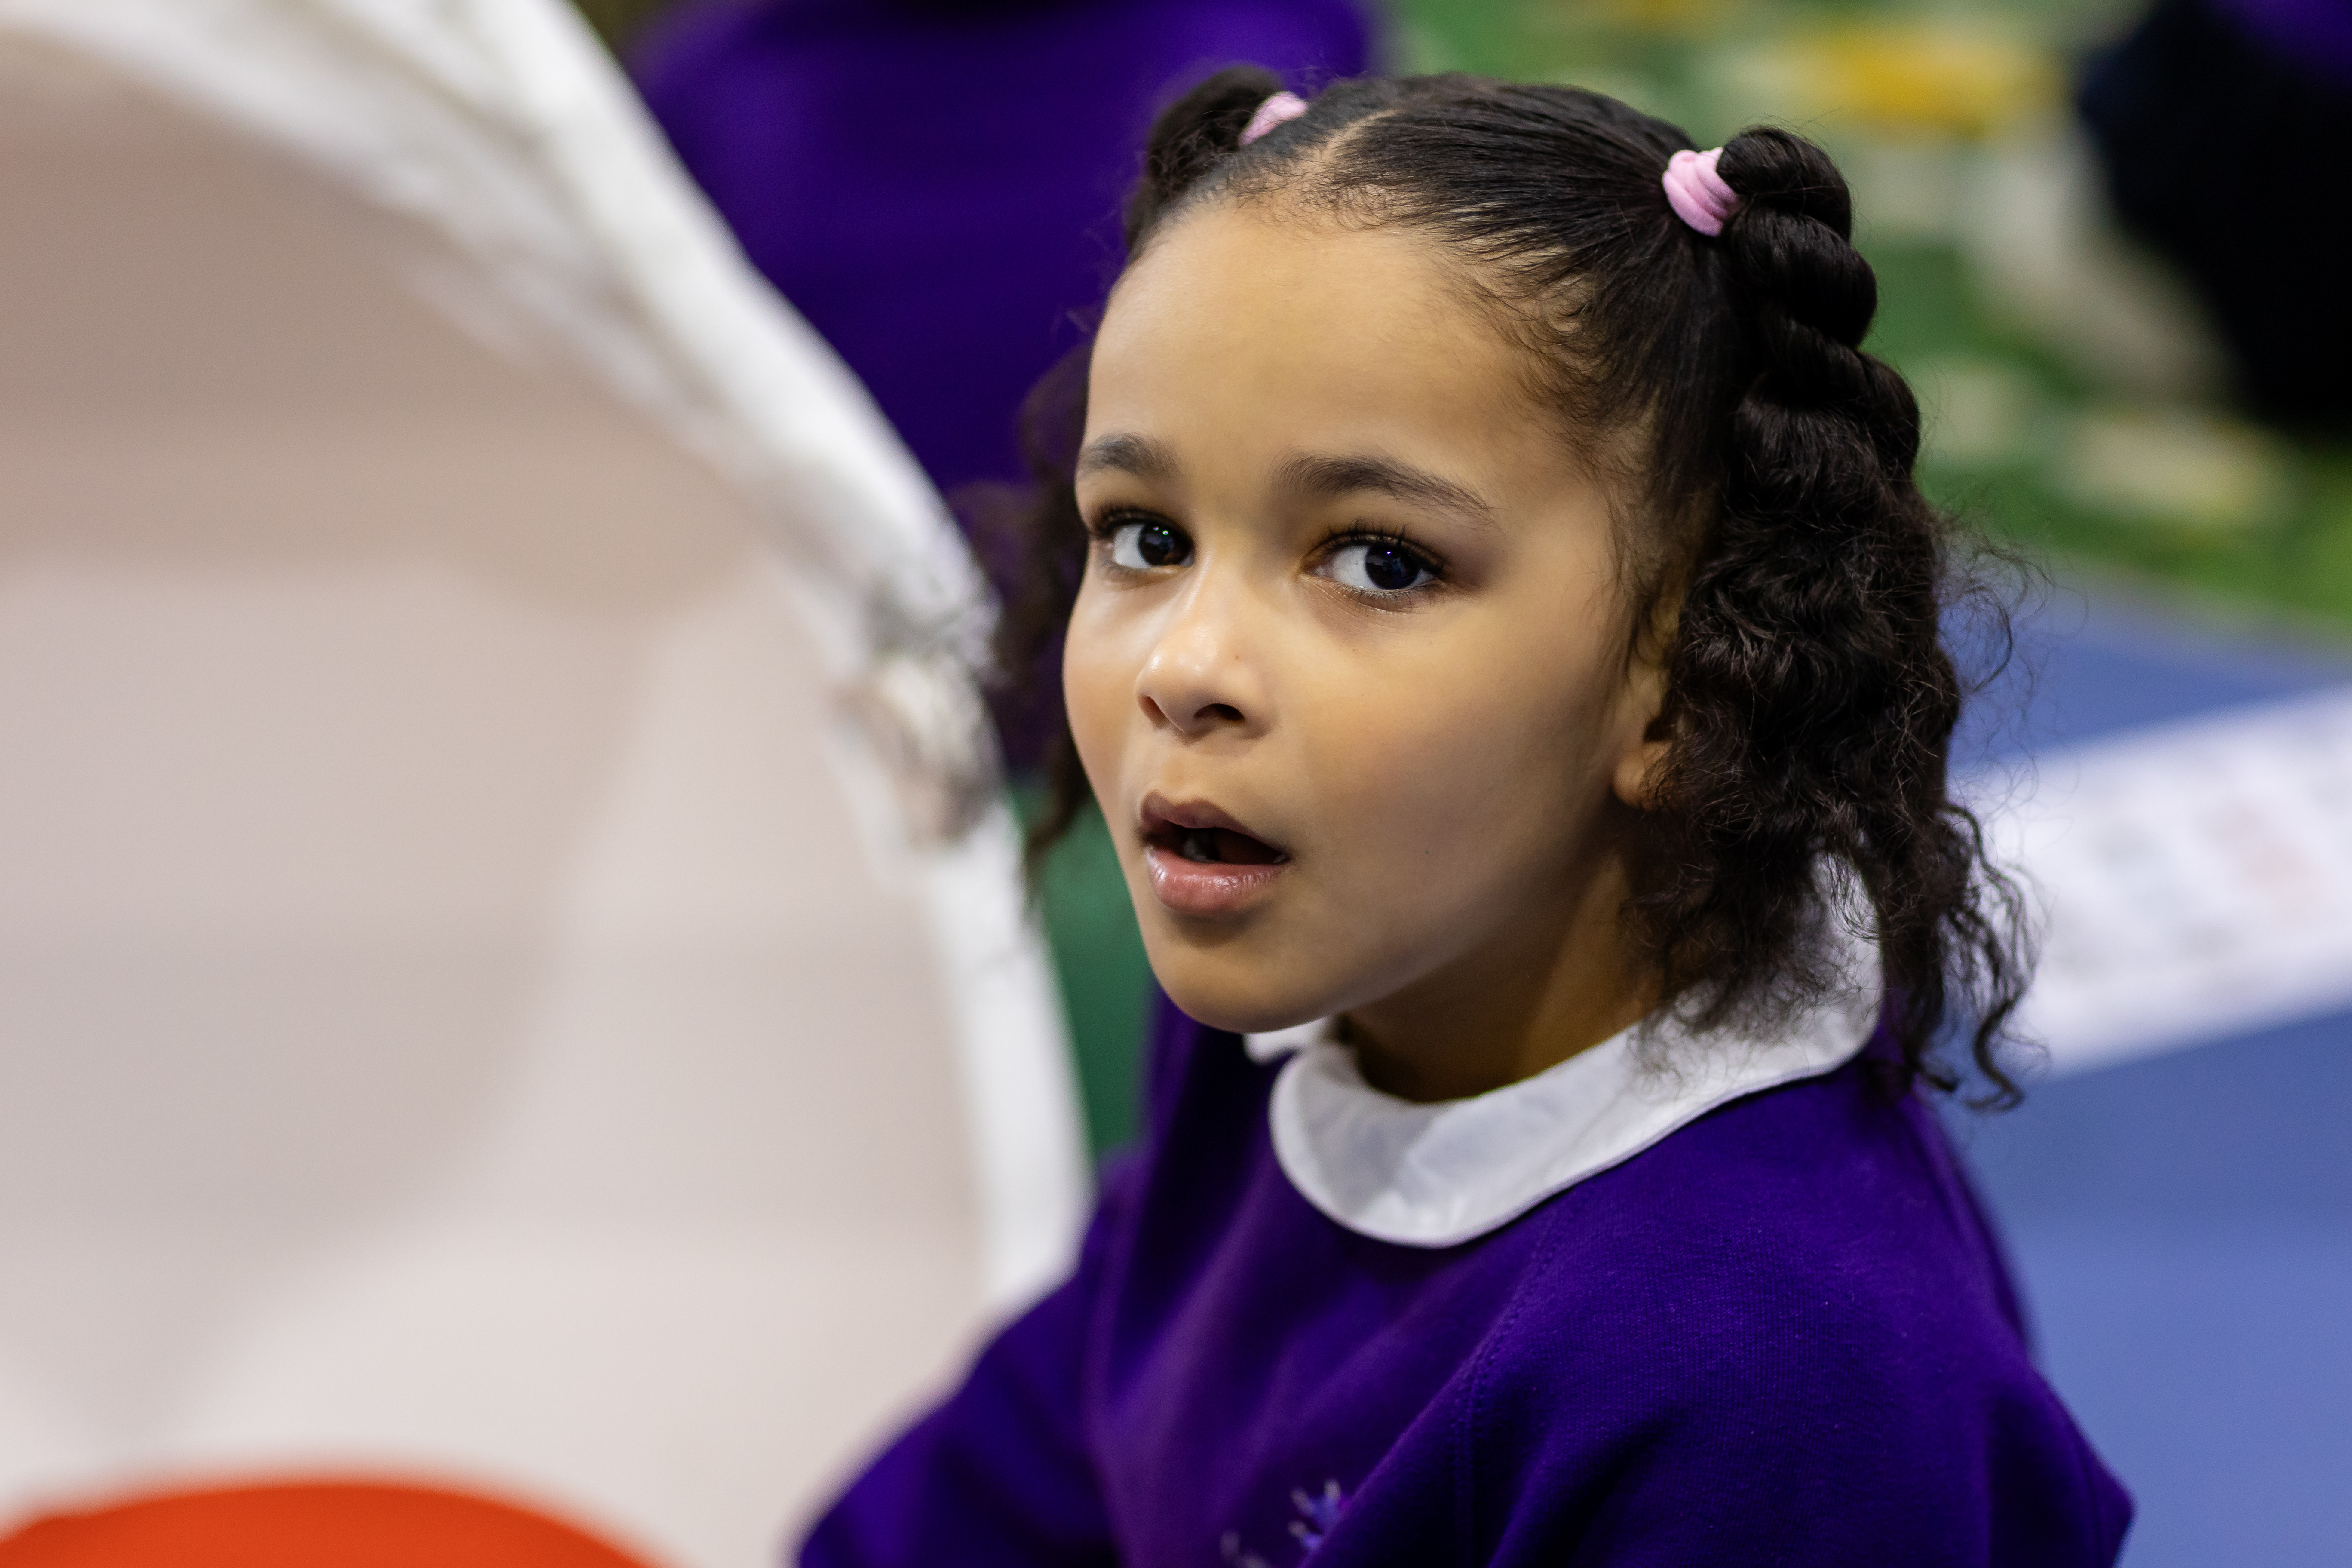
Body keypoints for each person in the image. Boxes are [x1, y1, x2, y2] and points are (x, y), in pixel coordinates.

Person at [802, 70, 2134, 1566]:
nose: (1184, 668)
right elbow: (1063, 1433)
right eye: (1149, 537)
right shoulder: (1311, 982)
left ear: (1689, 675)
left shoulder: (1765, 1400)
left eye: (1377, 563)